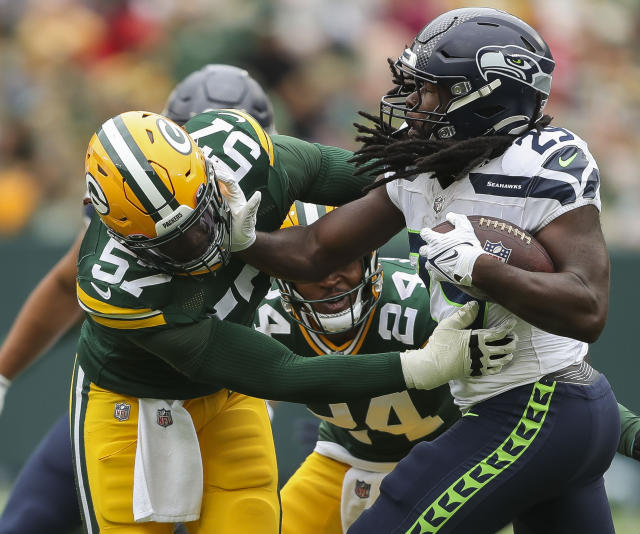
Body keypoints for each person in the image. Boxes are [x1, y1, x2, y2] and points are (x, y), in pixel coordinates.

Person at [227, 7, 626, 533]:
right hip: (546, 411)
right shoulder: (424, 169)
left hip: (537, 402)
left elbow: (588, 308)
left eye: (431, 91)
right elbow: (316, 250)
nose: (414, 106)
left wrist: (482, 269)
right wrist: (240, 237)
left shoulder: (541, 161)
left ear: (485, 96)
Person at [69, 105, 515, 534]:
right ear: (124, 237)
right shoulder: (116, 286)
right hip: (132, 399)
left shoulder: (240, 154)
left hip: (224, 395)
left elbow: (363, 176)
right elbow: (278, 372)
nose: (199, 242)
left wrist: (447, 179)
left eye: (203, 215)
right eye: (173, 243)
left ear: (207, 171)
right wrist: (422, 365)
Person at [0, 64, 276, 534]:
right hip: (126, 398)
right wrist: (3, 374)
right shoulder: (133, 212)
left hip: (228, 399)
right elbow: (70, 287)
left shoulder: (283, 207)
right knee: (29, 519)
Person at [254, 201, 458, 534]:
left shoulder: (419, 301)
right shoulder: (271, 320)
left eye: (341, 258)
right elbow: (251, 406)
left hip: (442, 460)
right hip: (343, 455)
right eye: (308, 266)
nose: (329, 278)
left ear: (368, 255)